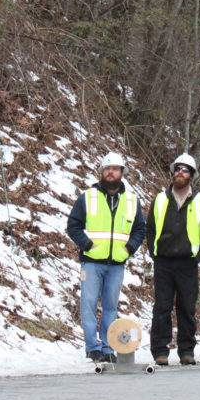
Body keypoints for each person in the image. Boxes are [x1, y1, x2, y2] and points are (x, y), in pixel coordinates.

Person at [66, 151, 146, 363]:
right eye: (107, 169)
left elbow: (140, 229)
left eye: (115, 169)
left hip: (117, 263)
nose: (111, 173)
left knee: (110, 307)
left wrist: (129, 249)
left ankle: (108, 347)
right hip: (92, 262)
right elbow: (73, 226)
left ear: (122, 173)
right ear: (101, 172)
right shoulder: (88, 197)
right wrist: (86, 244)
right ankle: (92, 347)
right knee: (89, 305)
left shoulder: (131, 201)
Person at [146, 153, 200, 366]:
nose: (180, 173)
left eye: (185, 170)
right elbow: (150, 228)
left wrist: (198, 256)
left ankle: (186, 350)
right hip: (164, 262)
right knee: (162, 307)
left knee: (186, 307)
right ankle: (160, 351)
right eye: (177, 169)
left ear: (191, 175)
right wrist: (154, 252)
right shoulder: (160, 199)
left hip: (187, 263)